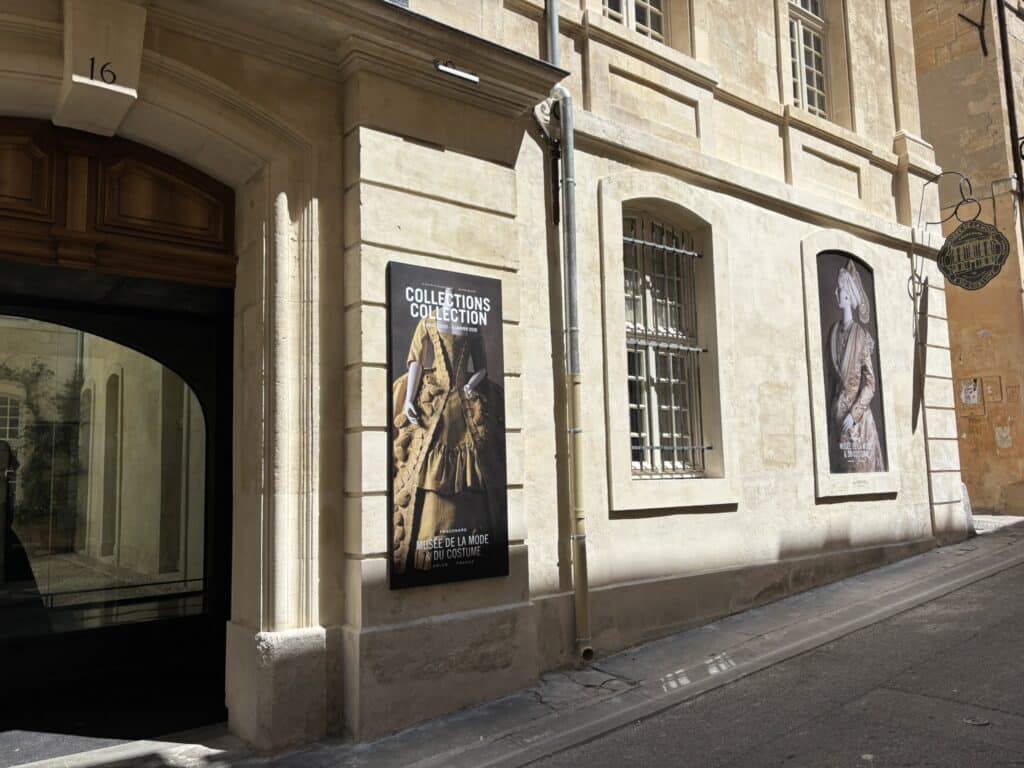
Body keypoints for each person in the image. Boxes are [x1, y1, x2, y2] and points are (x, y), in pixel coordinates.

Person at [391, 287, 505, 576]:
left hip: (456, 401)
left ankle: (466, 541)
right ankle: (435, 540)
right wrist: (408, 400)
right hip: (445, 400)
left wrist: (469, 386)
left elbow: (480, 369)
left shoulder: (457, 321)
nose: (450, 299)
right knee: (431, 467)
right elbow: (417, 361)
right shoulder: (433, 320)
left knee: (470, 469)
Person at [828, 260, 885, 473]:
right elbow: (830, 380)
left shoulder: (861, 336)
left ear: (848, 294)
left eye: (840, 289)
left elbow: (870, 384)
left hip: (858, 424)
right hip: (836, 423)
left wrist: (854, 414)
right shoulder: (833, 334)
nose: (836, 293)